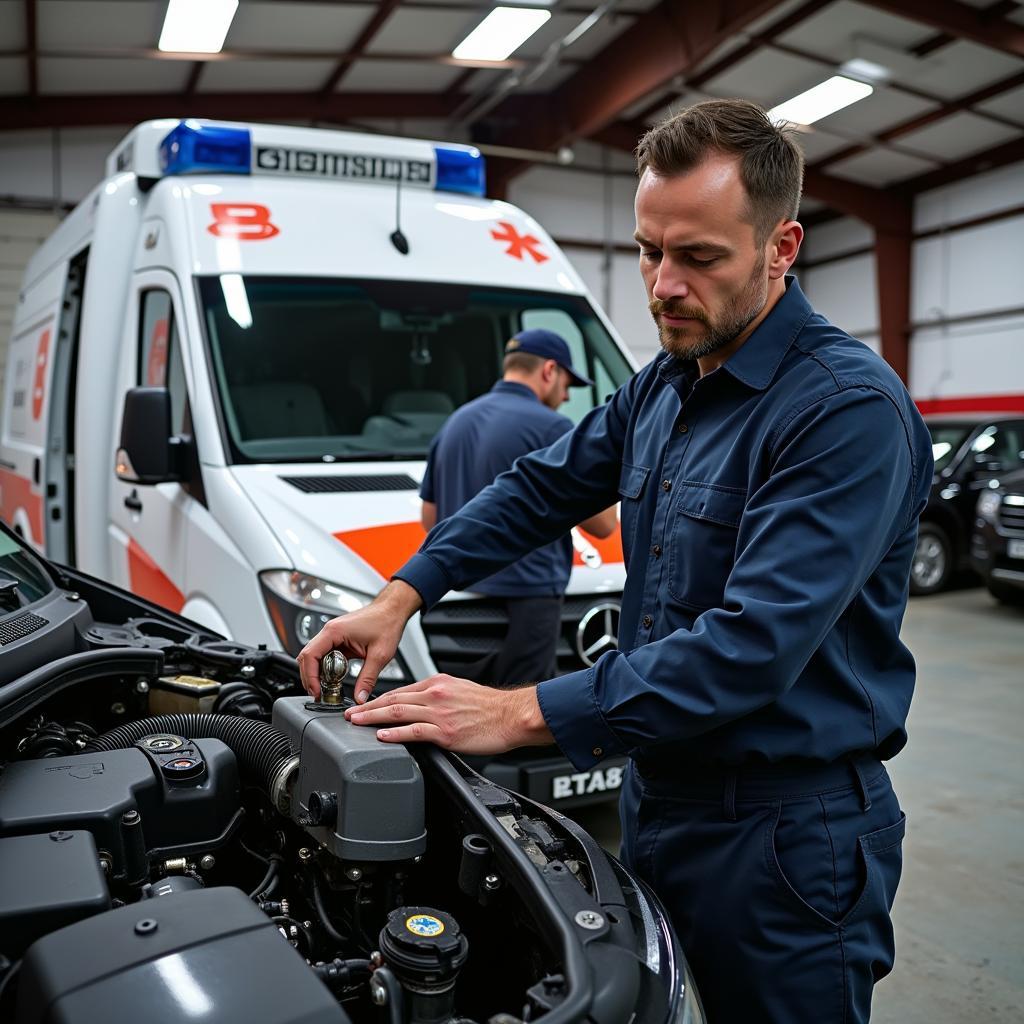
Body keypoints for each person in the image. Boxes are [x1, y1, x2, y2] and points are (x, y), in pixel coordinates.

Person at [299, 98, 933, 1024]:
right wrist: (403, 591)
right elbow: (537, 489)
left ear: (782, 247)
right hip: (659, 796)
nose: (663, 284)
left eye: (700, 257)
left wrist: (520, 712)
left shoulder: (844, 413)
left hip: (785, 837)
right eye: (649, 250)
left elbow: (750, 646)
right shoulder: (667, 387)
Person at [419, 328, 617, 684]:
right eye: (567, 385)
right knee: (515, 723)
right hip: (530, 601)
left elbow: (429, 519)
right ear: (549, 371)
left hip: (457, 603)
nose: (565, 395)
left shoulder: (455, 422)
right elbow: (603, 526)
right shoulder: (553, 426)